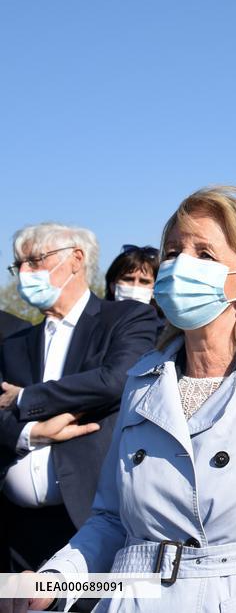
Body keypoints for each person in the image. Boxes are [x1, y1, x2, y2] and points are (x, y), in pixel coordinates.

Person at [1, 187, 236, 612]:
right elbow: (111, 520)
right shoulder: (142, 381)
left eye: (204, 254)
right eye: (173, 252)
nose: (180, 265)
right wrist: (54, 581)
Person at [0, 224, 158, 573]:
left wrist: (26, 399)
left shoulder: (126, 319)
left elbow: (115, 380)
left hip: (87, 524)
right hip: (16, 532)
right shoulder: (14, 343)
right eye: (18, 265)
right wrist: (32, 434)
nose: (25, 273)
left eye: (35, 261)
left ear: (76, 259)